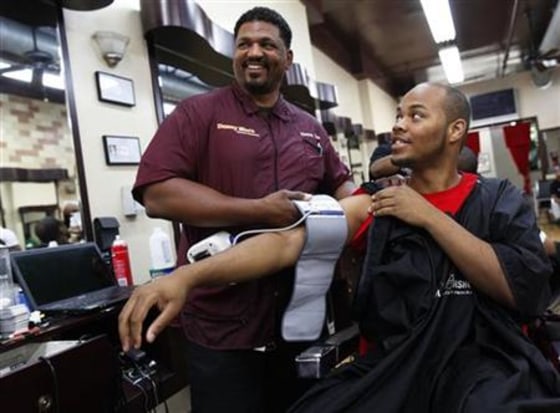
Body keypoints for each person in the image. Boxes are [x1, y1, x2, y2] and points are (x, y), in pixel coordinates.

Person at [121, 82, 560, 412]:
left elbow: (518, 287)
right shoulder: (372, 202)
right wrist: (188, 276)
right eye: (398, 115)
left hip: (484, 361)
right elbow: (285, 244)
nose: (398, 125)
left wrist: (427, 215)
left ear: (454, 130)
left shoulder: (498, 199)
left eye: (415, 116)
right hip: (396, 367)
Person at [130, 6, 354, 413]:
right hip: (222, 328)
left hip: (301, 315)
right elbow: (156, 194)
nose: (253, 52)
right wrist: (258, 211)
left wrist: (356, 210)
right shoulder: (199, 114)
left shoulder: (310, 127)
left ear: (287, 59)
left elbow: (341, 183)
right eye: (244, 44)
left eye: (266, 44)